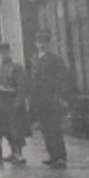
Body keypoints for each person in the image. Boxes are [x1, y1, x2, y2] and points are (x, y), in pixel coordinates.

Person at [28, 31, 72, 168]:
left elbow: (63, 79)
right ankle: (52, 155)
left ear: (49, 44)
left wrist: (60, 96)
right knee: (45, 129)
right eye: (40, 42)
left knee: (54, 128)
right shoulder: (34, 59)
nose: (42, 45)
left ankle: (61, 157)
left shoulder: (56, 60)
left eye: (45, 42)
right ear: (36, 44)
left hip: (52, 99)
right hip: (39, 100)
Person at [0, 42, 27, 164]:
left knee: (16, 129)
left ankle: (19, 153)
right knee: (4, 129)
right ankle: (12, 152)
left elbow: (22, 86)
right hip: (1, 103)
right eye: (1, 53)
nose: (3, 55)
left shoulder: (17, 68)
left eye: (6, 52)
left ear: (10, 52)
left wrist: (19, 101)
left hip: (13, 101)